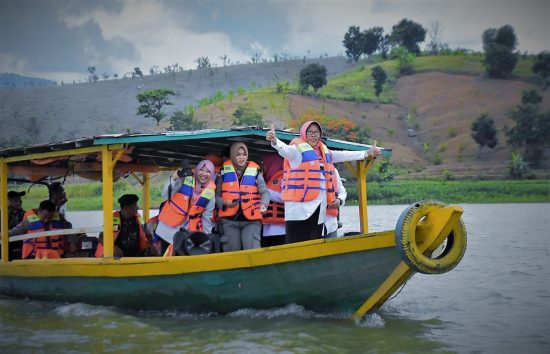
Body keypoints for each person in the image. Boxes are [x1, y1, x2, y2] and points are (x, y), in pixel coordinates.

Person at [266, 121, 380, 243]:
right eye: (309, 132)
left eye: (316, 132)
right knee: (296, 246)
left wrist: (366, 153)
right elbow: (286, 150)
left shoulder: (325, 154)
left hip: (318, 211)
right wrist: (275, 141)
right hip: (298, 212)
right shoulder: (297, 152)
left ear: (320, 135)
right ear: (304, 134)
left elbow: (344, 155)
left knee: (314, 246)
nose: (313, 135)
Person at [216, 142, 270, 251]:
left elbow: (265, 192)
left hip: (251, 221)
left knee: (252, 251)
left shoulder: (255, 171)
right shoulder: (223, 172)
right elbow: (215, 197)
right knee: (232, 252)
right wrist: (225, 203)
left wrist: (264, 205)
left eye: (244, 154)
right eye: (238, 154)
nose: (242, 157)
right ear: (232, 155)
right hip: (229, 221)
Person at [156, 160, 217, 255]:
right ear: (196, 170)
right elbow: (164, 194)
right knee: (166, 261)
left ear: (212, 174)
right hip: (167, 231)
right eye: (202, 170)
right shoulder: (184, 179)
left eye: (208, 171)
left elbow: (207, 218)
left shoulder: (211, 194)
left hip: (186, 233)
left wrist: (206, 239)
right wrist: (174, 177)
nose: (204, 174)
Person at [260, 152, 286, 247]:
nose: (263, 166)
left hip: (281, 228)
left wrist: (265, 193)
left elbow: (286, 196)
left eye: (264, 163)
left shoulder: (285, 177)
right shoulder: (264, 178)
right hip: (265, 225)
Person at [325, 168, 346, 238]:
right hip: (309, 225)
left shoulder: (333, 169)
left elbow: (342, 191)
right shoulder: (298, 166)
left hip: (331, 224)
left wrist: (339, 200)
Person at [6, 191, 26, 259]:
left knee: (17, 252)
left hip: (18, 242)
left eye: (20, 200)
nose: (19, 202)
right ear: (8, 201)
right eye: (16, 200)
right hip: (5, 242)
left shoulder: (24, 213)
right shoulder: (3, 213)